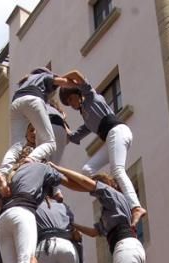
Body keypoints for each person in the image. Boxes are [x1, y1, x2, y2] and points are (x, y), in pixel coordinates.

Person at [59, 70, 146, 228]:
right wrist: (61, 123)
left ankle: (136, 207)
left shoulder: (91, 98)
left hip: (118, 131)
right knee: (87, 170)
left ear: (78, 93)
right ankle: (113, 191)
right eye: (68, 103)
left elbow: (77, 74)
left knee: (117, 169)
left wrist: (59, 80)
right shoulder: (85, 117)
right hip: (111, 139)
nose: (71, 104)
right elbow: (72, 137)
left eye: (71, 99)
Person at [0, 67, 81, 192]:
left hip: (16, 103)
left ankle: (2, 173)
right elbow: (63, 82)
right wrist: (79, 85)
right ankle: (31, 160)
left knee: (17, 144)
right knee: (50, 143)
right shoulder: (43, 77)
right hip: (33, 99)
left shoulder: (26, 81)